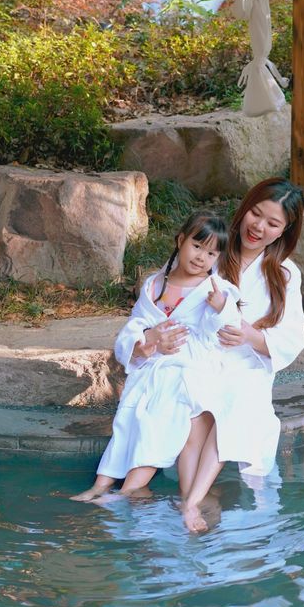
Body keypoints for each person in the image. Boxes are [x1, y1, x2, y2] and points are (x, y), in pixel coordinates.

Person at [71, 210, 241, 503]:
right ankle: (102, 483)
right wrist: (145, 341)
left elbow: (227, 331)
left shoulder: (217, 290)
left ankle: (130, 487)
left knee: (159, 417)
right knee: (129, 416)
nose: (201, 257)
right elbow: (136, 325)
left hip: (188, 368)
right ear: (180, 240)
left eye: (211, 253)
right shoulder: (155, 284)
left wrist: (221, 308)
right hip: (153, 364)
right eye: (197, 246)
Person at [178, 177, 304, 532]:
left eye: (273, 223)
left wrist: (251, 335)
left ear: (284, 231)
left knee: (237, 398)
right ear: (245, 207)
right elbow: (173, 294)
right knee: (190, 398)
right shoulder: (213, 250)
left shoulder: (285, 274)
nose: (259, 227)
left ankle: (192, 502)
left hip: (247, 366)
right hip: (201, 355)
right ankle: (195, 496)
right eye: (255, 213)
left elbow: (291, 338)